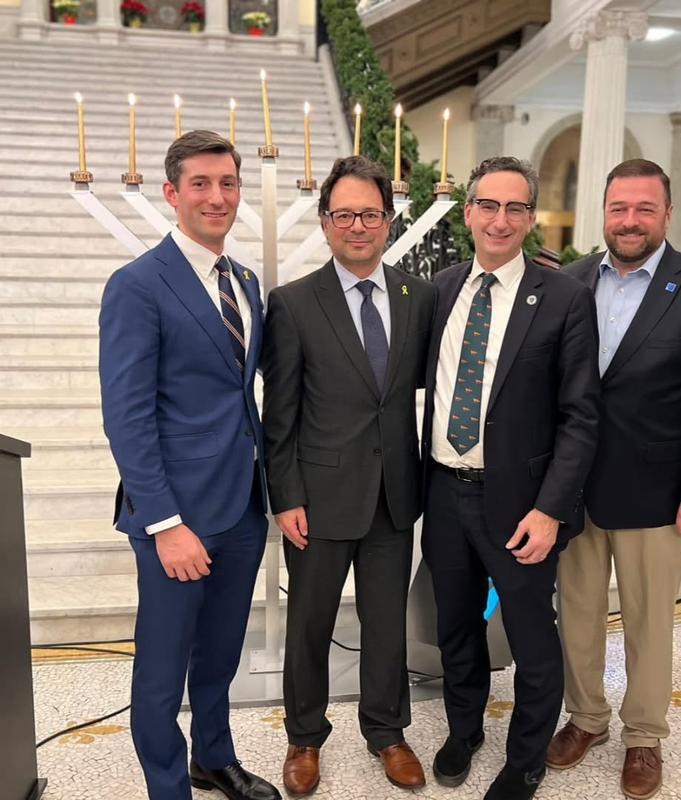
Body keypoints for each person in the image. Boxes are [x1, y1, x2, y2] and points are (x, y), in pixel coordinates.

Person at [547, 159, 681, 800]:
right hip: (573, 490)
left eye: (643, 209)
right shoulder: (570, 281)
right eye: (618, 208)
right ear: (603, 212)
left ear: (667, 214)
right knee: (577, 613)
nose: (629, 220)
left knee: (648, 621)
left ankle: (644, 735)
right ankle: (586, 718)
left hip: (657, 492)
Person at [99, 130, 279, 800]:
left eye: (228, 183)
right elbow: (127, 417)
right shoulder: (138, 285)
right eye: (200, 184)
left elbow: (241, 390)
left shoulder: (246, 281)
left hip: (242, 503)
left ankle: (213, 757)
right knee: (162, 665)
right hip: (175, 513)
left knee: (221, 650)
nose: (217, 196)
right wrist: (165, 523)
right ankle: (167, 786)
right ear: (171, 193)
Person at [421, 156, 601, 800]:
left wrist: (551, 509)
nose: (500, 220)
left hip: (524, 504)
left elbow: (581, 416)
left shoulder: (564, 298)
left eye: (515, 208)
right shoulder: (439, 290)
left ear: (530, 218)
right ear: (468, 212)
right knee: (455, 625)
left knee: (530, 636)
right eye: (488, 206)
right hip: (444, 491)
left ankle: (526, 757)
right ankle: (464, 728)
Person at [262, 155, 436, 796]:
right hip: (319, 495)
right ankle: (304, 737)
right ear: (325, 222)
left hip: (394, 495)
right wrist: (286, 495)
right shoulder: (293, 303)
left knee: (386, 622)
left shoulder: (420, 297)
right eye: (344, 215)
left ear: (389, 221)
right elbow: (279, 412)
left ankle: (387, 731)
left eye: (370, 214)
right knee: (309, 623)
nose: (357, 226)